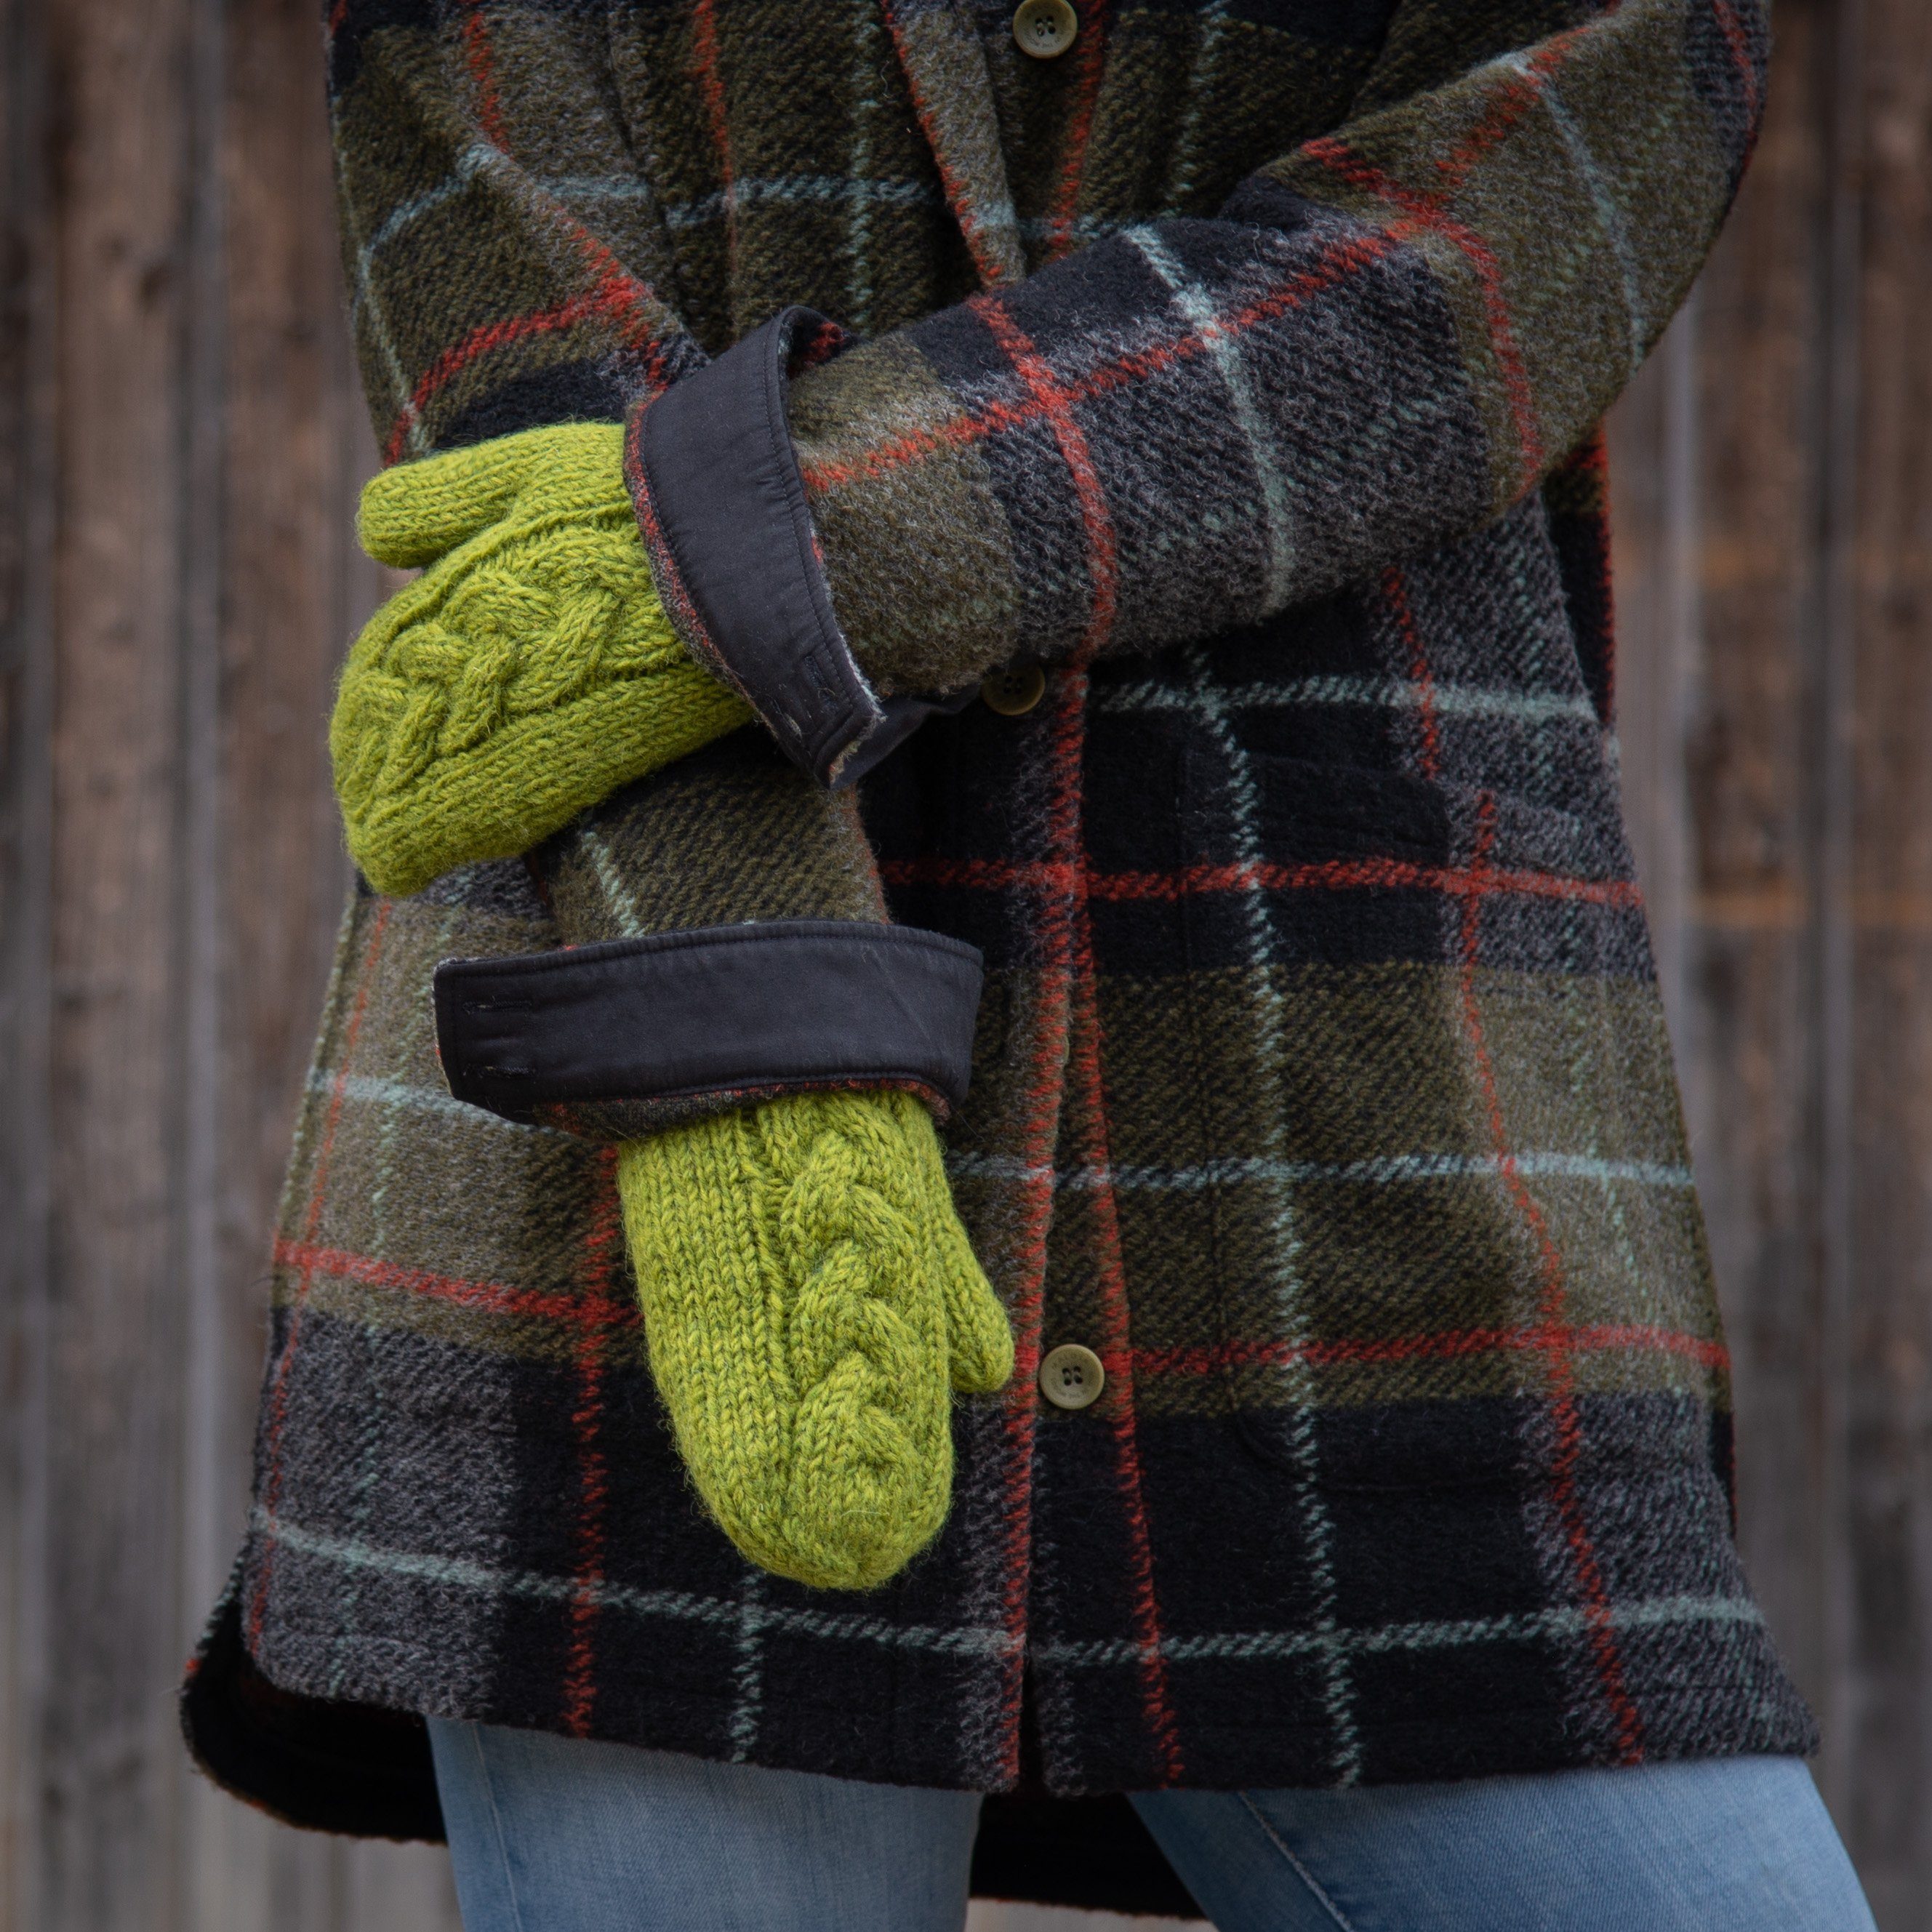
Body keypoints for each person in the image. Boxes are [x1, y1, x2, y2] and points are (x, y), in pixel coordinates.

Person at [183, 0, 1877, 1925]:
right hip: (643, 1152)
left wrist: (760, 557)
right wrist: (739, 1033)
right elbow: (507, 322)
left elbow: (1474, 250)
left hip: (1340, 1124)